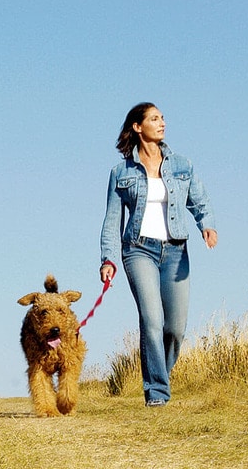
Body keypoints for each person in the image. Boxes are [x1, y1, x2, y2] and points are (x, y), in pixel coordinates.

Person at [99, 102, 217, 407]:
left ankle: (159, 373)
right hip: (139, 250)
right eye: (154, 119)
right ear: (138, 127)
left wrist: (207, 225)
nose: (162, 123)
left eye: (162, 118)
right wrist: (109, 259)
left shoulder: (181, 165)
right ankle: (157, 394)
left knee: (175, 328)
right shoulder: (120, 172)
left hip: (176, 250)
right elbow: (113, 221)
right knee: (151, 319)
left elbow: (198, 199)